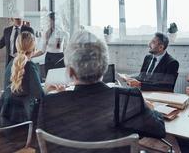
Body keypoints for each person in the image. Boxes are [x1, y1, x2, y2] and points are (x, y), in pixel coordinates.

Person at [37, 30, 166, 153]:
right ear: (104, 67)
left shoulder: (49, 103)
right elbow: (159, 130)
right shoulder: (128, 100)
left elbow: (41, 147)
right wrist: (150, 108)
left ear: (70, 72)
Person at [0, 31, 62, 127]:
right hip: (25, 121)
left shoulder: (12, 63)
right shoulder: (30, 66)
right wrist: (53, 90)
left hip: (8, 119)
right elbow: (40, 97)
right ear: (34, 48)